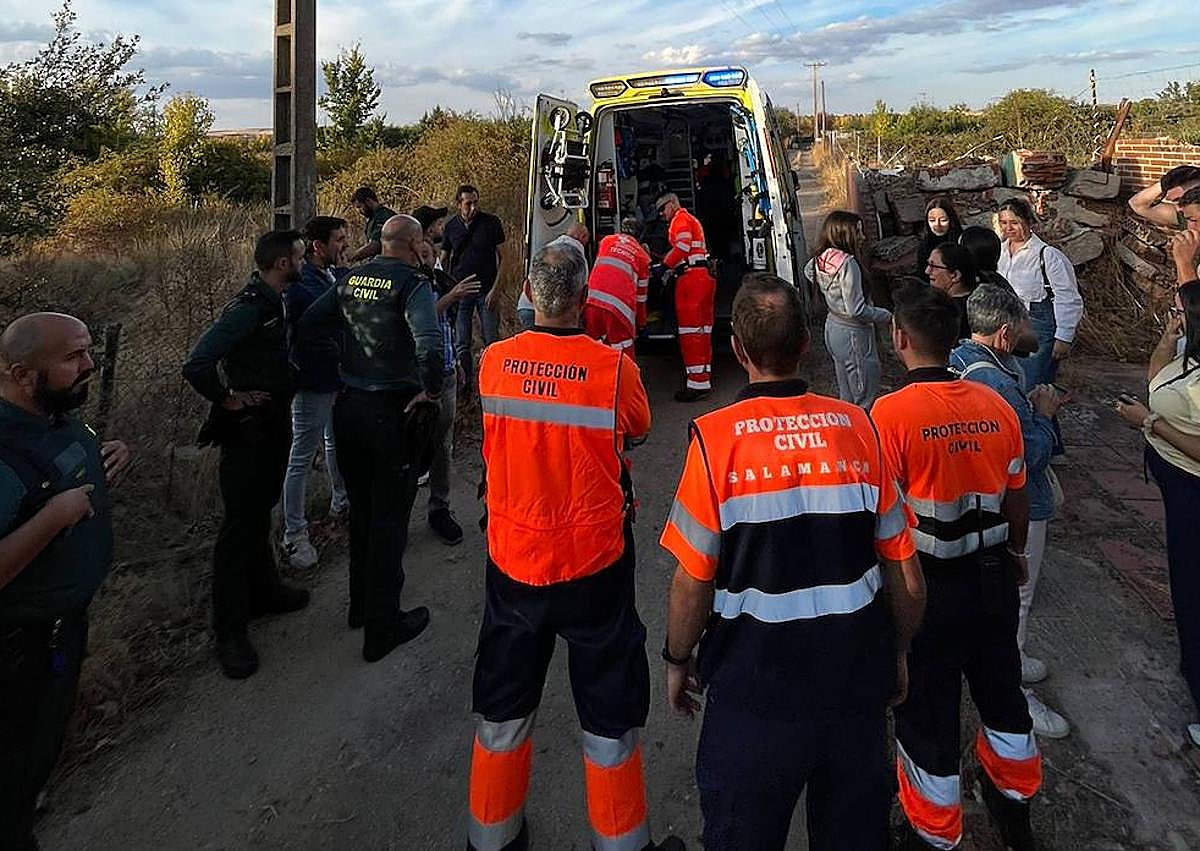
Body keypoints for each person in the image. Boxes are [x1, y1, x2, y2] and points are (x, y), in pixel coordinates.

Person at [660, 273, 925, 851]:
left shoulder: (714, 439)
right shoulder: (861, 428)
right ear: (806, 342)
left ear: (736, 348)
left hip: (756, 694)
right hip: (853, 686)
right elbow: (905, 571)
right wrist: (898, 651)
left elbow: (692, 581)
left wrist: (678, 657)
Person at [467, 244, 682, 851]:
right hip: (594, 564)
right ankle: (621, 842)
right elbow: (637, 429)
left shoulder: (493, 363)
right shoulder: (612, 369)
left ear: (530, 296)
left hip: (513, 560)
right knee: (609, 710)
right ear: (586, 299)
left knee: (504, 708)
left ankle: (492, 837)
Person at [872, 283, 1041, 851]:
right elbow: (1017, 495)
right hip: (992, 579)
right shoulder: (995, 404)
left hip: (927, 591)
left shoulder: (889, 416)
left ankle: (932, 832)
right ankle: (1015, 807)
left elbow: (883, 515)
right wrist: (1015, 553)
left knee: (926, 713)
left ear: (900, 339)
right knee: (1002, 693)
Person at [0, 312, 132, 850]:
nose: (90, 365)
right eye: (74, 357)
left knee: (34, 758)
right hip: (18, 651)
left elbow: (71, 466)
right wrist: (54, 516)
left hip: (59, 632)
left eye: (89, 351)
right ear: (21, 373)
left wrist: (112, 457)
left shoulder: (56, 414)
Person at [297, 215, 443, 662]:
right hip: (390, 413)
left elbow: (308, 324)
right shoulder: (412, 285)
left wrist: (346, 359)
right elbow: (430, 345)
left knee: (361, 513)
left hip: (348, 411)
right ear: (415, 243)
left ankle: (361, 606)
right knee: (389, 521)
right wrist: (430, 390)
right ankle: (382, 626)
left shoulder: (350, 278)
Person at [183, 231, 311, 679]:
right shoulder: (250, 306)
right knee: (239, 527)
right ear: (281, 263)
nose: (303, 259)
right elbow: (198, 363)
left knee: (259, 512)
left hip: (272, 423)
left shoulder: (274, 299)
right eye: (298, 256)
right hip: (248, 433)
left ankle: (266, 591)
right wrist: (228, 399)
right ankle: (230, 631)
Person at [951, 285, 1071, 739]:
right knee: (1017, 598)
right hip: (1019, 502)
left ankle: (1014, 659)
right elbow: (1029, 453)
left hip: (983, 496)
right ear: (1004, 334)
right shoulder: (998, 383)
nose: (1032, 328)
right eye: (1024, 322)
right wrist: (1043, 412)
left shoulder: (963, 359)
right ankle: (1012, 687)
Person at [1116, 280, 1200, 748]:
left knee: (1192, 586)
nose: (1173, 316)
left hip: (1193, 487)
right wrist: (1169, 337)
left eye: (1179, 312)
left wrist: (1151, 423)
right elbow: (1157, 381)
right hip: (1174, 478)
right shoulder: (1187, 358)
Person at [280, 216, 350, 569]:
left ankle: (340, 501)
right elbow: (312, 324)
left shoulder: (329, 275)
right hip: (311, 380)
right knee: (301, 456)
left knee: (334, 441)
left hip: (333, 376)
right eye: (339, 240)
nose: (345, 246)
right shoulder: (302, 284)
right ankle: (294, 535)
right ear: (318, 246)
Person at [417, 236, 475, 546]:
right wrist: (453, 295)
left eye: (430, 254)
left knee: (443, 445)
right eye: (422, 254)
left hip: (448, 374)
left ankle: (439, 508)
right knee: (411, 446)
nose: (427, 260)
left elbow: (446, 329)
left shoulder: (436, 280)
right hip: (418, 383)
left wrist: (458, 363)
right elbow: (428, 317)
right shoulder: (409, 287)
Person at [996, 198, 1084, 397]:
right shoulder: (999, 252)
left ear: (1027, 221)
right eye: (1004, 223)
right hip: (1004, 324)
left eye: (1014, 223)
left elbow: (1067, 297)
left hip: (1037, 327)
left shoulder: (1047, 255)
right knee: (1008, 386)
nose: (1008, 228)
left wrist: (1063, 337)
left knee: (1034, 389)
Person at [805, 210, 891, 408]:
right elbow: (856, 309)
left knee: (846, 392)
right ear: (845, 234)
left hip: (833, 326)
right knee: (864, 394)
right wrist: (885, 315)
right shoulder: (848, 263)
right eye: (858, 232)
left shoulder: (822, 257)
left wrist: (828, 290)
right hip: (853, 333)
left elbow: (808, 270)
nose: (862, 237)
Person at [442, 185, 506, 392]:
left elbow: (505, 257)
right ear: (458, 204)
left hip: (486, 288)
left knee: (491, 340)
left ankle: (492, 384)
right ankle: (466, 384)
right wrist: (447, 291)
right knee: (462, 341)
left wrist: (497, 289)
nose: (473, 207)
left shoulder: (490, 223)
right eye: (468, 203)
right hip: (461, 291)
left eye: (476, 202)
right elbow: (445, 259)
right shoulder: (451, 226)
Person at [659, 191, 716, 402]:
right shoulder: (691, 219)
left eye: (662, 209)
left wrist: (663, 266)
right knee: (702, 331)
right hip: (703, 277)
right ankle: (703, 377)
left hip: (691, 280)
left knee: (690, 332)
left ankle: (697, 384)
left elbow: (682, 247)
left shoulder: (680, 219)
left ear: (672, 204)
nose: (661, 215)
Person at [583, 216, 651, 351]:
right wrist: (642, 324)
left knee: (592, 348)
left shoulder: (606, 241)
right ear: (641, 236)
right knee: (622, 353)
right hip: (618, 310)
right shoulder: (642, 257)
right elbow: (641, 298)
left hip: (592, 301)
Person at [518, 222, 591, 331]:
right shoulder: (576, 253)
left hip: (526, 307)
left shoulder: (550, 247)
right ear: (583, 237)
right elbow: (580, 285)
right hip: (551, 315)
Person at [926, 242, 979, 340]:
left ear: (955, 275)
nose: (927, 271)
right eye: (928, 264)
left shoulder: (949, 314)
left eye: (934, 266)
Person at [1128, 164, 1200, 230]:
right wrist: (1163, 185)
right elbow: (1137, 204)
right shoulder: (1188, 215)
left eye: (1194, 220)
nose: (1190, 227)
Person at [916, 194, 964, 279]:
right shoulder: (924, 248)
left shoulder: (962, 243)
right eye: (932, 220)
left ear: (951, 220)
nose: (937, 225)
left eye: (943, 220)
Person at [348, 187, 397, 264]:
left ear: (368, 201)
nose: (359, 211)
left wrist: (351, 258)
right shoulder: (373, 218)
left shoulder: (383, 216)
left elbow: (375, 246)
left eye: (359, 207)